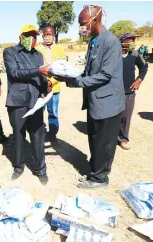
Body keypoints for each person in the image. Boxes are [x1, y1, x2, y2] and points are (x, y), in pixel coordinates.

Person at [49, 5, 125, 189]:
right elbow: (89, 71)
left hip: (108, 103)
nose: (81, 28)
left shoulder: (111, 42)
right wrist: (68, 76)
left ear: (95, 21)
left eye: (83, 24)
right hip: (95, 102)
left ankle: (100, 179)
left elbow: (105, 76)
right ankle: (94, 170)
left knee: (104, 142)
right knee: (95, 138)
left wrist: (75, 82)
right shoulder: (93, 41)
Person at [3, 24, 51, 184]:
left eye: (35, 36)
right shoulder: (10, 52)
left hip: (35, 101)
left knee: (37, 136)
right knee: (19, 136)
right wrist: (38, 71)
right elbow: (14, 73)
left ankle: (41, 169)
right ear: (21, 37)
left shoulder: (38, 55)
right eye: (29, 35)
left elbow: (41, 77)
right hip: (18, 102)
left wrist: (46, 85)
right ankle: (18, 166)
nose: (32, 39)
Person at [117, 33, 148, 150]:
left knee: (126, 117)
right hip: (114, 91)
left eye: (133, 41)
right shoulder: (113, 55)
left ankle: (123, 139)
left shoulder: (135, 54)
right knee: (114, 116)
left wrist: (139, 79)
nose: (131, 43)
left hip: (129, 91)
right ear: (121, 42)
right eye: (128, 41)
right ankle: (111, 137)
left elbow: (144, 67)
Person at [36, 26, 67, 141]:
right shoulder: (38, 51)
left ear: (54, 36)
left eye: (50, 35)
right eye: (46, 35)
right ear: (43, 36)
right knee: (39, 111)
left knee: (53, 112)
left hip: (55, 87)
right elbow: (36, 69)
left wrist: (51, 82)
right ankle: (38, 134)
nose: (48, 37)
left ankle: (52, 134)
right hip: (41, 88)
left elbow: (62, 70)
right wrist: (44, 83)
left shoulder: (60, 50)